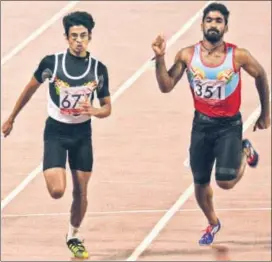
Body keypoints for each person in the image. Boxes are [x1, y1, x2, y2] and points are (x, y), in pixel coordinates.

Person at [151, 2, 270, 245]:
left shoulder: (238, 55)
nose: (213, 24)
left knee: (225, 182)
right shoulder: (187, 54)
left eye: (218, 21)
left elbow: (261, 75)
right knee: (200, 182)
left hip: (228, 126)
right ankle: (213, 223)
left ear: (226, 26)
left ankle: (243, 148)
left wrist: (265, 112)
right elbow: (165, 86)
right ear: (202, 24)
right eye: (209, 20)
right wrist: (160, 58)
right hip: (201, 126)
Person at [2, 11, 111, 258]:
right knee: (57, 191)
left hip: (83, 134)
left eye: (83, 36)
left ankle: (73, 235)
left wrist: (94, 110)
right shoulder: (51, 63)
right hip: (56, 132)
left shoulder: (98, 69)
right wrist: (11, 118)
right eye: (74, 36)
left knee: (81, 192)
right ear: (66, 37)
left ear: (90, 37)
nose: (79, 41)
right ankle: (54, 166)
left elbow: (107, 108)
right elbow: (29, 89)